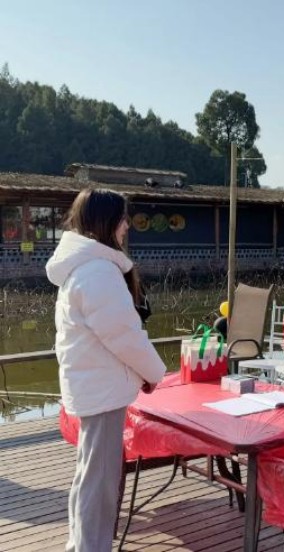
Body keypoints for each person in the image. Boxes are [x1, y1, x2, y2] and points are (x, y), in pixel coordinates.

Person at [46, 188, 167, 552]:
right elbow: (124, 335)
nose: (127, 226)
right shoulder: (98, 270)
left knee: (90, 475)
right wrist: (154, 372)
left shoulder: (83, 266)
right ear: (106, 222)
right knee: (99, 480)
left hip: (92, 385)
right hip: (101, 389)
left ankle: (81, 544)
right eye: (122, 218)